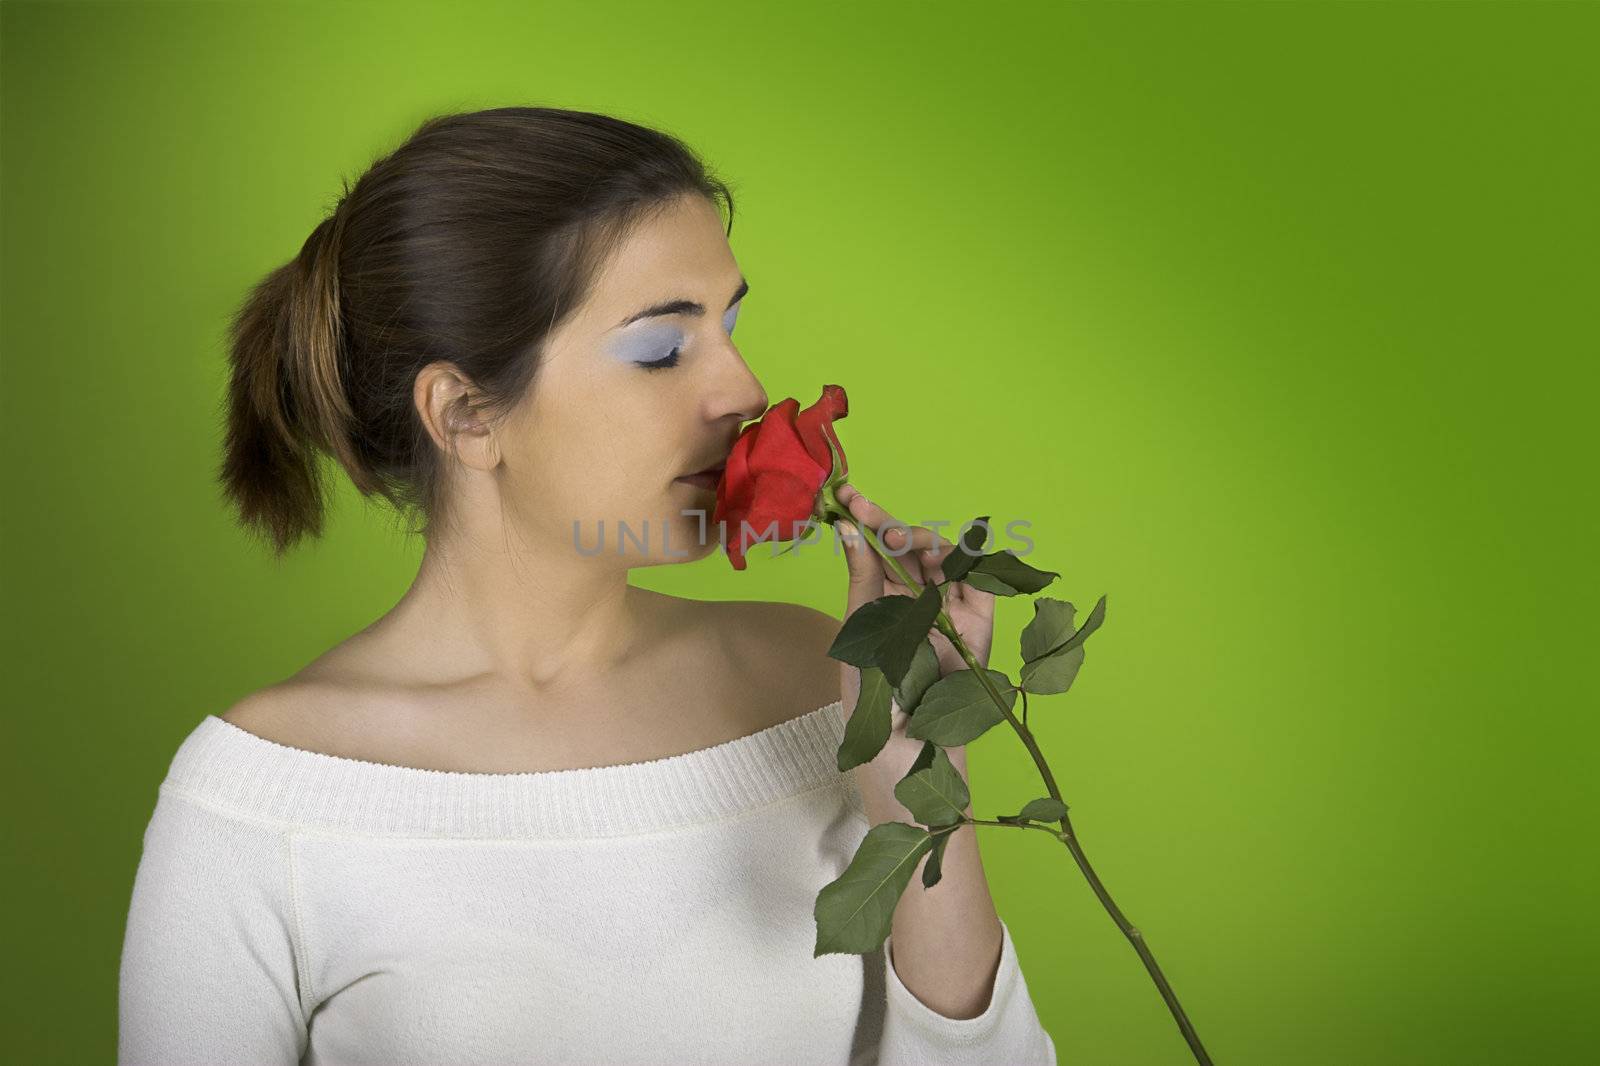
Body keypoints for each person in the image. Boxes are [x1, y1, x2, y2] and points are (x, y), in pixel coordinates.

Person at [116, 105, 1056, 1066]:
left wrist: (917, 789)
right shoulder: (265, 805)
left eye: (730, 325)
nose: (742, 388)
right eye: (660, 348)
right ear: (468, 414)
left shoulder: (825, 687)